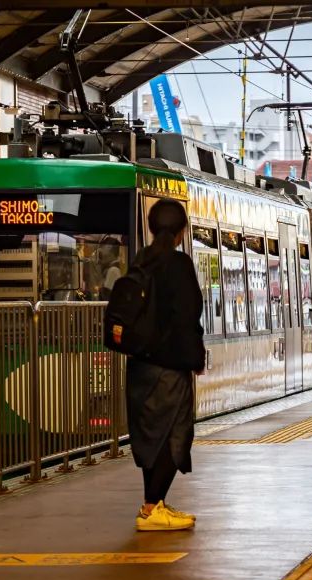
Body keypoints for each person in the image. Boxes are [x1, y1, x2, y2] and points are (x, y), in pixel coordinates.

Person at [124, 200, 205, 532]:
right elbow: (188, 316)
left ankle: (153, 505)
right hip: (170, 368)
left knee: (150, 436)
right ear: (181, 231)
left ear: (152, 227)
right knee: (175, 436)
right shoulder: (179, 264)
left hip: (139, 367)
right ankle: (150, 507)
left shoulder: (140, 261)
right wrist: (196, 359)